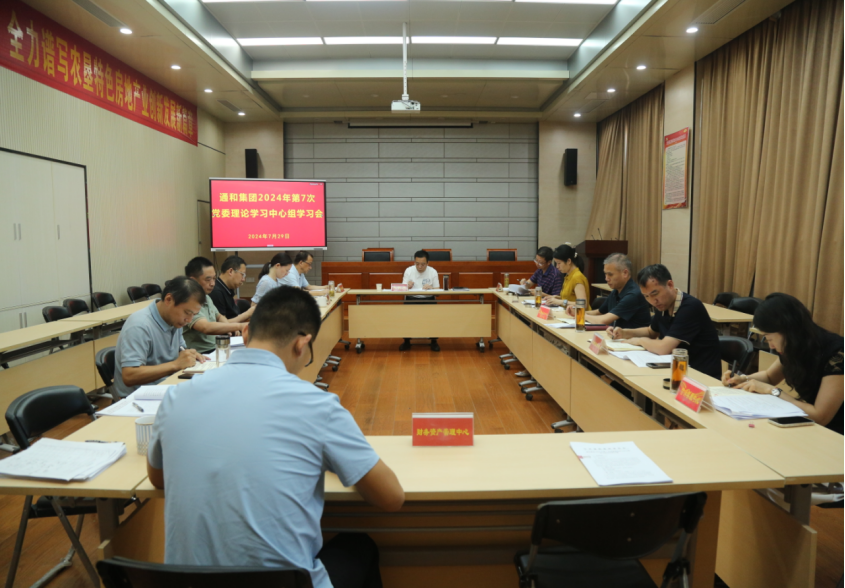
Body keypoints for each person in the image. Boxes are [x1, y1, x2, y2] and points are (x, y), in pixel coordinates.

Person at [147, 287, 405, 588]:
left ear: (245, 334)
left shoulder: (176, 397)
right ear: (302, 344)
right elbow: (391, 498)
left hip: (188, 584)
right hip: (282, 583)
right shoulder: (317, 405)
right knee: (359, 546)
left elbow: (159, 479)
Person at [722, 293, 843, 434]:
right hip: (810, 425)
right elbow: (769, 377)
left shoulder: (838, 354)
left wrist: (773, 391)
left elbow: (821, 417)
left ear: (788, 331)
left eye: (770, 339)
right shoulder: (796, 345)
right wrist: (743, 379)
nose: (771, 346)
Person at [608, 264, 722, 378]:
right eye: (646, 296)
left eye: (655, 293)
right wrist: (625, 333)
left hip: (700, 376)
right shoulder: (663, 304)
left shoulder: (690, 307)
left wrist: (640, 340)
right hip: (674, 369)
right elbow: (651, 332)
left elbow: (663, 348)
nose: (652, 301)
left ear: (670, 285)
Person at [113, 277, 206, 398]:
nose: (189, 320)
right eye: (187, 313)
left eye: (194, 314)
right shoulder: (139, 326)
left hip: (166, 386)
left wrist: (189, 355)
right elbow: (129, 375)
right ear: (169, 300)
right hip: (137, 398)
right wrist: (176, 364)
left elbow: (180, 349)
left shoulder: (174, 319)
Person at [183, 257, 249, 354]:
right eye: (208, 280)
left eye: (214, 278)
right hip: (201, 353)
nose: (213, 284)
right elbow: (205, 327)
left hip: (215, 348)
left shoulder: (206, 296)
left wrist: (229, 326)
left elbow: (219, 316)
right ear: (193, 281)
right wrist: (238, 326)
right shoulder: (188, 300)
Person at [569, 253, 651, 328]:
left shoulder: (633, 295)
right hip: (617, 336)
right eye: (605, 274)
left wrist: (580, 315)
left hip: (633, 339)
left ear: (625, 273)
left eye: (610, 274)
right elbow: (598, 312)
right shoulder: (616, 291)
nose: (606, 278)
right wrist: (576, 311)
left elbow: (603, 320)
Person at [399, 250, 440, 352]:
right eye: (417, 264)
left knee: (433, 319)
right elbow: (401, 289)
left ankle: (434, 341)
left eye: (423, 264)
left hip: (428, 299)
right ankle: (406, 341)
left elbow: (438, 292)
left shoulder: (433, 271)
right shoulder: (409, 270)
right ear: (414, 262)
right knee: (406, 319)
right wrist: (407, 286)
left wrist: (431, 288)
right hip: (411, 299)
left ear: (427, 263)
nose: (419, 267)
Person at [543, 243, 590, 310]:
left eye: (559, 263)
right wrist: (554, 298)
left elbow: (583, 304)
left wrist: (560, 302)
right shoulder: (568, 275)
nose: (557, 266)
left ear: (568, 261)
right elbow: (569, 297)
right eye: (556, 263)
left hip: (578, 315)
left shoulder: (577, 277)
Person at [209, 255, 255, 322]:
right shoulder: (216, 292)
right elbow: (221, 325)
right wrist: (247, 314)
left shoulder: (227, 289)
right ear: (230, 271)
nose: (243, 279)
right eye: (242, 274)